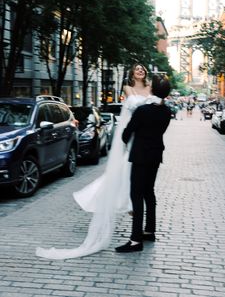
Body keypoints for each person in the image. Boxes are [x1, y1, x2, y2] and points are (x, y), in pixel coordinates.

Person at [36, 63, 162, 260]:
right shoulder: (129, 89)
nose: (140, 71)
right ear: (131, 73)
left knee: (141, 189)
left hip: (141, 140)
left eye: (143, 69)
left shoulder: (150, 90)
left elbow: (147, 111)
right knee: (142, 187)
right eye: (137, 69)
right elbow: (139, 111)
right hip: (140, 141)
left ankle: (140, 231)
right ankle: (141, 222)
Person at [115, 74, 172, 253]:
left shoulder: (142, 111)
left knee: (137, 195)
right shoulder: (167, 111)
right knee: (149, 192)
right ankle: (149, 231)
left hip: (140, 155)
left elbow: (127, 132)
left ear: (152, 90)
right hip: (155, 154)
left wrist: (126, 139)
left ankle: (135, 240)